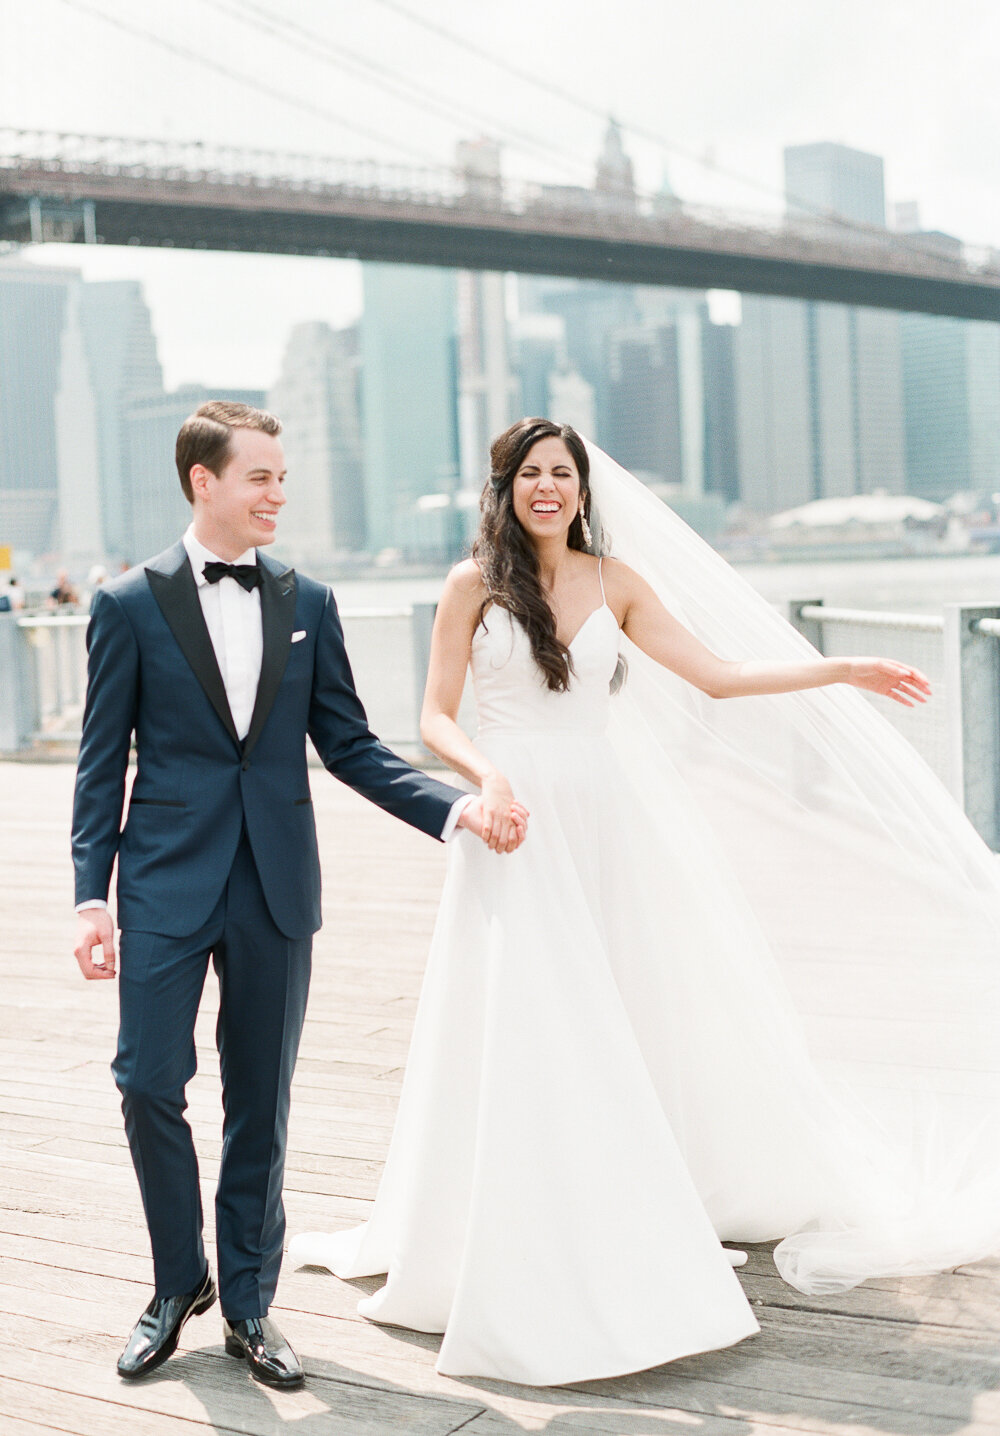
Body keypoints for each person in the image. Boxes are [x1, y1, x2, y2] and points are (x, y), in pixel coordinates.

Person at [290, 417, 1000, 1387]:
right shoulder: (469, 586)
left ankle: (633, 1193)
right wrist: (484, 780)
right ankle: (513, 1210)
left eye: (563, 474)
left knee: (621, 1000)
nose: (548, 488)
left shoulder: (614, 582)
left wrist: (841, 670)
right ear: (503, 487)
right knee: (520, 1013)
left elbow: (718, 674)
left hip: (605, 818)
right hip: (515, 820)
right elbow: (434, 715)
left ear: (583, 488)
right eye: (530, 474)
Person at [71, 401, 523, 1391]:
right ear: (205, 483)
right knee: (147, 1079)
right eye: (261, 477)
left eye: (283, 477)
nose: (280, 493)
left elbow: (352, 746)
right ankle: (173, 1281)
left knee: (260, 1101)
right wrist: (88, 897)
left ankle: (246, 1301)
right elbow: (100, 766)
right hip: (158, 882)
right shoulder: (126, 606)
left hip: (275, 883)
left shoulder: (307, 599)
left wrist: (456, 811)